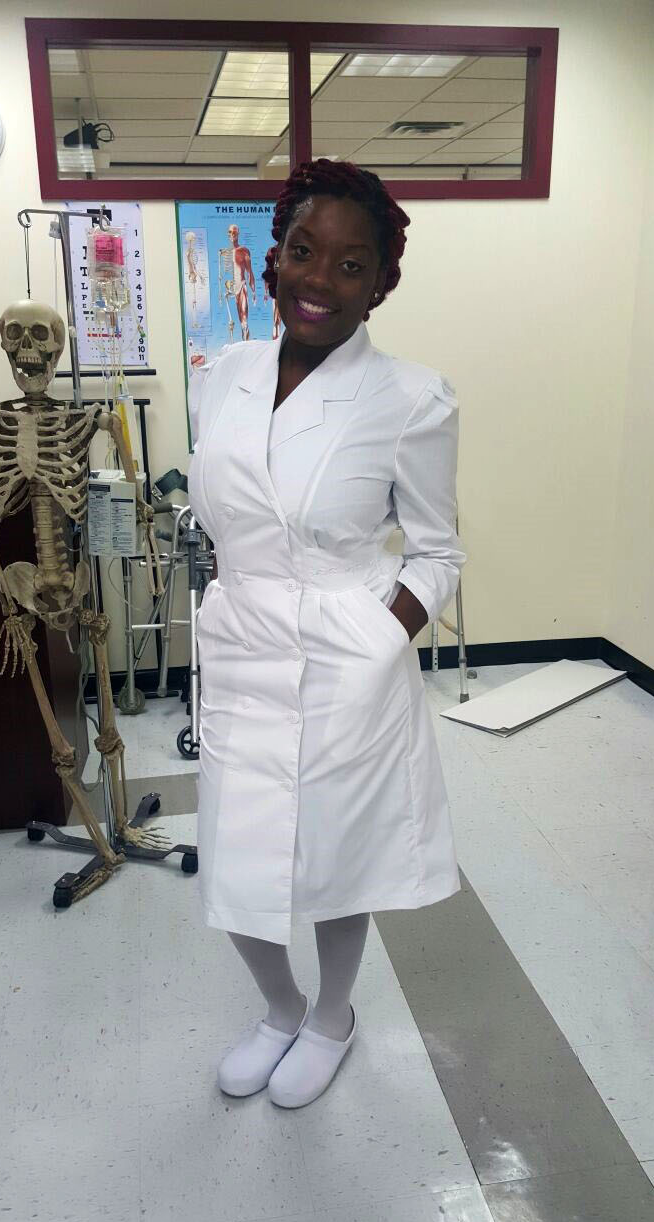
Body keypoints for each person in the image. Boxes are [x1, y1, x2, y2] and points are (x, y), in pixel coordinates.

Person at [187, 158, 466, 1109]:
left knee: (334, 860)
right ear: (274, 258)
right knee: (237, 848)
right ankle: (279, 1010)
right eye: (303, 251)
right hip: (241, 645)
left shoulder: (411, 399)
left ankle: (332, 1018)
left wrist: (378, 643)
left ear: (380, 282)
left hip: (344, 656)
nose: (319, 280)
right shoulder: (222, 375)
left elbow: (437, 553)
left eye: (351, 265)